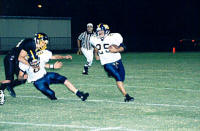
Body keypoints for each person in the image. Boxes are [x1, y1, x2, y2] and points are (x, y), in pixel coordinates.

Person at [18, 49, 89, 101]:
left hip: (46, 76)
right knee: (52, 94)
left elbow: (44, 65)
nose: (36, 64)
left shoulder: (39, 57)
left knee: (64, 79)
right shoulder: (23, 64)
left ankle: (80, 94)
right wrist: (24, 77)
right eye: (33, 63)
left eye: (37, 62)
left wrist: (53, 66)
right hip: (38, 82)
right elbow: (19, 77)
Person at [90, 23, 134, 102]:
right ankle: (127, 96)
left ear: (106, 31)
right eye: (98, 31)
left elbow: (123, 47)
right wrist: (96, 53)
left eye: (101, 31)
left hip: (118, 61)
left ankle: (111, 74)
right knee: (118, 78)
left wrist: (116, 50)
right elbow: (96, 54)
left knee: (122, 77)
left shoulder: (114, 37)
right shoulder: (94, 39)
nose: (99, 33)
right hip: (107, 63)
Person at [0, 32, 48, 99]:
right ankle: (1, 89)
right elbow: (20, 58)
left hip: (17, 60)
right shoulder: (31, 43)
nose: (44, 44)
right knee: (10, 79)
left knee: (23, 79)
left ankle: (9, 86)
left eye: (45, 43)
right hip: (11, 58)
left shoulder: (34, 45)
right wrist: (32, 65)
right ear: (38, 40)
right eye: (43, 42)